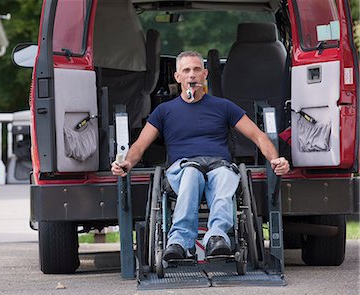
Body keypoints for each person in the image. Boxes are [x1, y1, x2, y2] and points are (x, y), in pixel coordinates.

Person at [111, 51, 290, 261]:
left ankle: (217, 237)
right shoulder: (164, 111)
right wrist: (126, 163)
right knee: (192, 174)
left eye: (196, 69)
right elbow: (140, 146)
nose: (192, 75)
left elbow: (259, 137)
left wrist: (275, 159)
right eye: (186, 70)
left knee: (224, 175)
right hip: (184, 167)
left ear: (205, 74)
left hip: (218, 165)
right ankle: (178, 241)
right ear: (177, 77)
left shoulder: (223, 106)